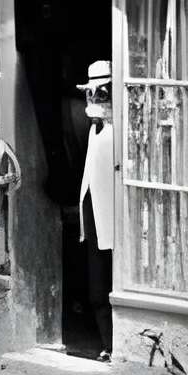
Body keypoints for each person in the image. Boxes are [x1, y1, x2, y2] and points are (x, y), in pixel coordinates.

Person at [77, 58, 115, 359]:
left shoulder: (117, 131)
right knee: (97, 285)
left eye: (100, 94)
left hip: (113, 216)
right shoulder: (94, 130)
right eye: (92, 94)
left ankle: (115, 344)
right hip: (93, 214)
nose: (94, 100)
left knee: (113, 278)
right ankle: (106, 343)